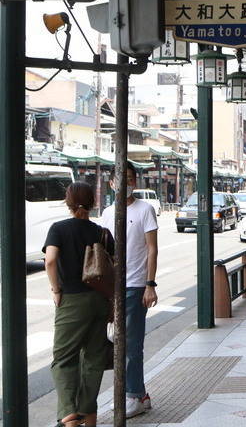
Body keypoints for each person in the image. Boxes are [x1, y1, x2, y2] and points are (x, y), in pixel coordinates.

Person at [45, 181, 114, 427]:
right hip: (99, 300)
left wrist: (56, 290)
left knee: (64, 358)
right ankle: (88, 415)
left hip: (72, 300)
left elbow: (51, 260)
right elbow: (113, 268)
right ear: (93, 202)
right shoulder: (101, 232)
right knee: (94, 359)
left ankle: (69, 416)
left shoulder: (59, 229)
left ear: (68, 202)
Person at [100, 162, 159, 418]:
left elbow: (152, 249)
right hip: (114, 286)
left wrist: (150, 284)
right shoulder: (106, 212)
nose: (125, 182)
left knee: (132, 344)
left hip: (136, 286)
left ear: (135, 181)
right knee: (117, 342)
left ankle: (132, 395)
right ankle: (141, 394)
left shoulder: (145, 209)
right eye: (120, 178)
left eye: (130, 177)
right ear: (111, 184)